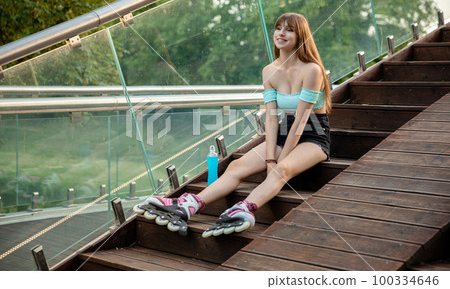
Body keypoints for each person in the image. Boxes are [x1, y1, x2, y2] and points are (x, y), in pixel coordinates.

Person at [133, 13, 332, 238]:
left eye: (289, 30)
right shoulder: (269, 71)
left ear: (301, 36)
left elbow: (301, 121)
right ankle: (189, 204)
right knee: (235, 167)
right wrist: (269, 158)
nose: (281, 33)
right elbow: (271, 118)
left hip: (313, 135)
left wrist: (278, 162)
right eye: (278, 28)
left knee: (282, 170)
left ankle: (244, 209)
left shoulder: (312, 69)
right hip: (283, 131)